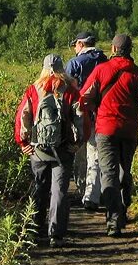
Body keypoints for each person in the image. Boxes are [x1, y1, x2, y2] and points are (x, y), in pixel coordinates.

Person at [80, 34, 138, 237]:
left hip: (105, 129)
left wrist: (94, 108)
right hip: (129, 131)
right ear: (130, 50)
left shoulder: (101, 70)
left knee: (109, 174)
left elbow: (83, 99)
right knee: (124, 171)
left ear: (113, 49)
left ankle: (113, 221)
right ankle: (123, 207)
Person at [14, 54, 89, 248]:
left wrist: (23, 143)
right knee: (60, 191)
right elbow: (81, 117)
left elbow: (23, 116)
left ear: (44, 68)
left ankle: (33, 231)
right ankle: (56, 234)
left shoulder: (33, 90)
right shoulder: (71, 90)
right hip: (63, 150)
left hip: (38, 150)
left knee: (39, 187)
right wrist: (79, 142)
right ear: (62, 68)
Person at [65, 31, 108, 211]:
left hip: (80, 114)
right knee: (95, 155)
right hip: (101, 115)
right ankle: (92, 195)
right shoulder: (105, 61)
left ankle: (83, 191)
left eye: (75, 44)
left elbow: (66, 91)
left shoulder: (74, 63)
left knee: (79, 154)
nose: (75, 48)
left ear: (81, 44)